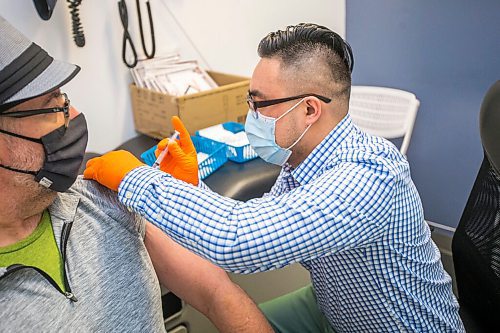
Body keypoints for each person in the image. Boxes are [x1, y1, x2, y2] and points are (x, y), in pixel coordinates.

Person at [84, 23, 465, 332]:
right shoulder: (304, 158)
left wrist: (133, 177)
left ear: (310, 109)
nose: (251, 113)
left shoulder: (367, 176)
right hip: (338, 304)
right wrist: (190, 184)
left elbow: (238, 241)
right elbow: (267, 218)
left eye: (259, 102)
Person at [0, 15, 272, 333]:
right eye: (52, 107)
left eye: (65, 99)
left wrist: (177, 190)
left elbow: (218, 294)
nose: (73, 116)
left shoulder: (100, 197)